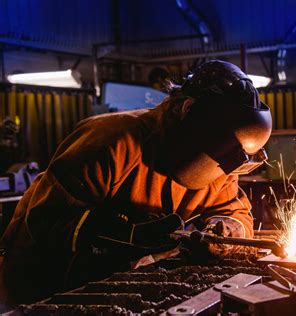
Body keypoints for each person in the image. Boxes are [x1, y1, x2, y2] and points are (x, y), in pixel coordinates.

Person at [0, 60, 272, 307]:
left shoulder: (222, 165)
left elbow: (237, 214)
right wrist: (120, 234)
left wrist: (224, 232)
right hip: (44, 288)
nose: (221, 167)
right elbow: (42, 221)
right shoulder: (111, 142)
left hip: (124, 288)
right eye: (215, 153)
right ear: (187, 110)